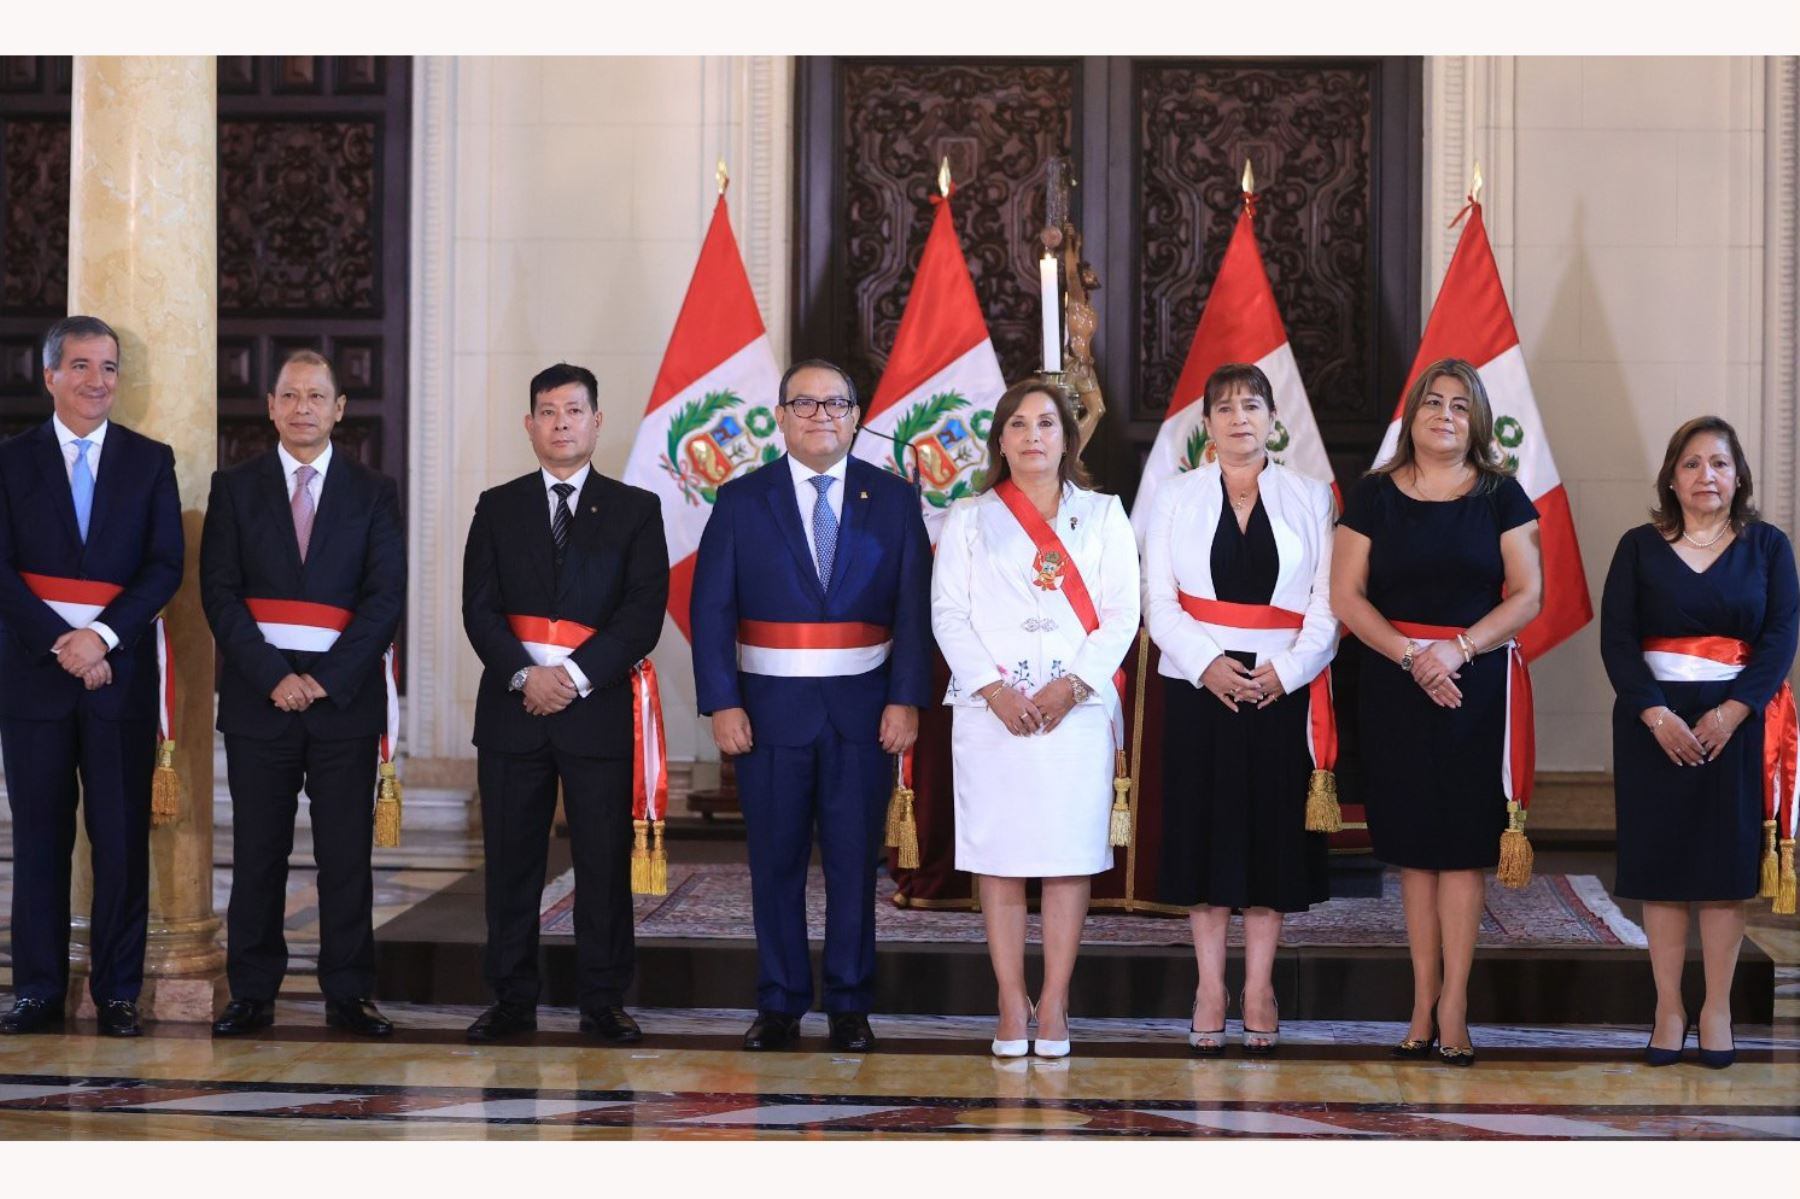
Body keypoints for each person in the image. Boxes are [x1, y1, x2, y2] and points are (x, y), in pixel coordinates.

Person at [690, 358, 932, 1053]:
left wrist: (906, 698)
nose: (821, 415)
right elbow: (712, 610)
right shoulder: (741, 500)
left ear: (856, 417)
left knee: (856, 865)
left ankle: (850, 1004)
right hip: (767, 717)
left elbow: (912, 609)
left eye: (836, 404)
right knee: (775, 863)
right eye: (806, 403)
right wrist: (722, 704)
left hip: (865, 714)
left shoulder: (892, 499)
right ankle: (780, 1002)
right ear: (781, 417)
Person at [1330, 357, 1542, 1067]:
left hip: (1474, 686)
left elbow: (1527, 593)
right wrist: (1410, 656)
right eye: (1432, 402)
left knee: (1463, 852)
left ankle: (1457, 1002)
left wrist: (1454, 650)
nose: (1444, 414)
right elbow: (1347, 596)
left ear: (1476, 421)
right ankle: (1422, 998)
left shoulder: (1501, 495)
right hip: (1395, 685)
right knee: (1415, 855)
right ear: (1411, 416)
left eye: (1459, 405)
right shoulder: (1372, 496)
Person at [931, 378, 1139, 1059]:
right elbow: (949, 615)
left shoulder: (1105, 514)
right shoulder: (969, 517)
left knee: (1064, 854)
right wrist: (995, 690)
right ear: (1000, 440)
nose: (1031, 436)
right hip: (992, 713)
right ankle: (1009, 996)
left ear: (1066, 438)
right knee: (1001, 857)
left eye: (1046, 424)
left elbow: (1121, 613)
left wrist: (1071, 686)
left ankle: (1054, 998)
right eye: (1017, 425)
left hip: (1073, 715)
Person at [461, 363, 668, 1044]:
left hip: (595, 711)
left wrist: (573, 677)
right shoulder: (497, 505)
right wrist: (527, 677)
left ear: (597, 421)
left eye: (573, 411)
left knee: (603, 863)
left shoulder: (637, 509)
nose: (560, 423)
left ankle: (602, 1001)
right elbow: (479, 609)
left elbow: (643, 614)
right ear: (529, 424)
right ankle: (512, 998)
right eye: (547, 412)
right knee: (512, 862)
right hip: (513, 711)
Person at [200, 349, 405, 1038]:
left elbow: (383, 600)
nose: (303, 408)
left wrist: (324, 678)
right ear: (270, 405)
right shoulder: (234, 488)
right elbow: (220, 596)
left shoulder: (374, 491)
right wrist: (274, 676)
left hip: (342, 705)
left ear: (339, 408)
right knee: (258, 853)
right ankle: (252, 991)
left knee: (345, 856)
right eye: (290, 395)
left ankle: (349, 993)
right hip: (262, 702)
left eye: (317, 396)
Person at [1142, 363, 1338, 1056]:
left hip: (1280, 691)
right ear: (1206, 425)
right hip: (1199, 686)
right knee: (1204, 834)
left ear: (1272, 419)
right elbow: (1158, 601)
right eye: (1223, 409)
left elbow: (1326, 602)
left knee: (1269, 837)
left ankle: (1258, 986)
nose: (1238, 419)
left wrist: (1283, 672)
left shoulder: (1311, 496)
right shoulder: (1174, 496)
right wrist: (1206, 664)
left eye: (1251, 406)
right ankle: (1209, 986)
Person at [0, 315, 183, 1037]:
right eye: (79, 366)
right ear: (49, 375)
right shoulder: (10, 461)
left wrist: (102, 636)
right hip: (35, 679)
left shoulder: (149, 460)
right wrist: (63, 642)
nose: (95, 381)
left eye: (107, 367)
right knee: (40, 839)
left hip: (119, 679)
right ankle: (38, 989)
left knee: (119, 839)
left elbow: (164, 563)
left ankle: (117, 992)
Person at [1600, 416, 1798, 1069]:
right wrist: (1656, 714)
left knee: (1721, 874)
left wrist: (1734, 711)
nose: (1705, 475)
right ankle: (1668, 1006)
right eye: (1691, 463)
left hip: (1735, 727)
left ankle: (1716, 1006)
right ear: (1671, 477)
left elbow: (1779, 639)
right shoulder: (1637, 546)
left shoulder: (1768, 546)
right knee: (1660, 873)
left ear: (1737, 475)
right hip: (1653, 726)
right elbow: (1618, 642)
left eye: (1718, 463)